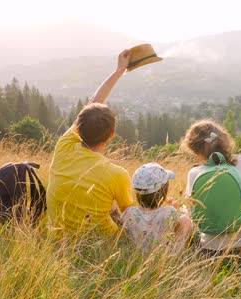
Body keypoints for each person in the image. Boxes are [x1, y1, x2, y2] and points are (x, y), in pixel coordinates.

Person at [46, 49, 134, 237]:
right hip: (102, 245)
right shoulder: (117, 174)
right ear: (112, 134)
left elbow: (94, 103)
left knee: (102, 195)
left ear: (78, 128)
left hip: (58, 239)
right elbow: (131, 218)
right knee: (110, 199)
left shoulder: (64, 146)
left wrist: (118, 71)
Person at [182, 120, 241, 254]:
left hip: (214, 249)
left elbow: (197, 215)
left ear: (196, 151)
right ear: (224, 139)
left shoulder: (195, 174)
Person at [121, 163, 193, 254]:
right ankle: (176, 253)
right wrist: (175, 210)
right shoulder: (168, 212)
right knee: (185, 220)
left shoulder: (129, 212)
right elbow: (185, 223)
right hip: (163, 257)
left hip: (136, 257)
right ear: (163, 191)